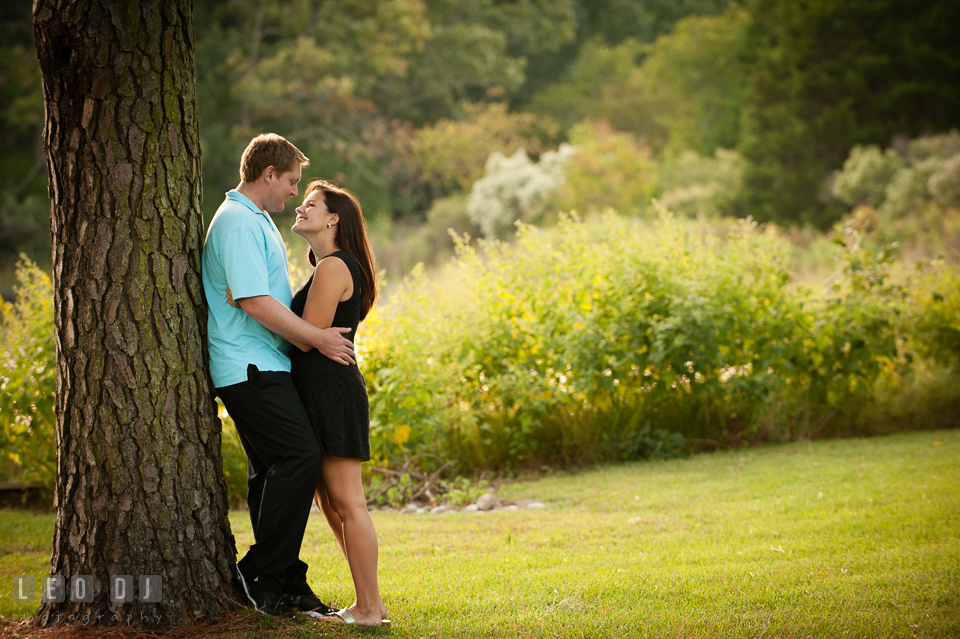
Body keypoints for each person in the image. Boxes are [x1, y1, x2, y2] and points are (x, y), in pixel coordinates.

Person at [201, 133, 354, 618]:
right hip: (248, 366)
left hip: (265, 364)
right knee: (300, 456)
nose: (294, 192)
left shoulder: (255, 221)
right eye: (291, 181)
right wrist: (315, 336)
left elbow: (255, 295)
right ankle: (262, 572)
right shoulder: (240, 224)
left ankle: (284, 581)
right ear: (269, 174)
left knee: (272, 470)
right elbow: (254, 301)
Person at [286, 179, 388, 628]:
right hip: (322, 392)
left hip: (332, 393)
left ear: (334, 219)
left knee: (348, 502)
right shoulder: (333, 266)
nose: (300, 208)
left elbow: (308, 338)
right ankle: (367, 603)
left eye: (310, 204)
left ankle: (370, 608)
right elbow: (312, 333)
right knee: (331, 504)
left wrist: (251, 305)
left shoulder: (334, 267)